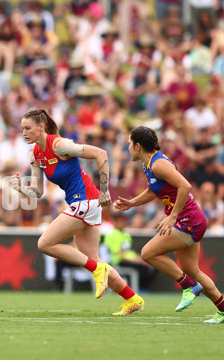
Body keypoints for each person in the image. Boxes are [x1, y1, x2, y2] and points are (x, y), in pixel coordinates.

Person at [10, 109, 145, 315]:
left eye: (28, 128)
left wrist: (105, 190)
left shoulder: (60, 145)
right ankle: (132, 299)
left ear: (41, 127)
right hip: (82, 204)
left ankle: (98, 270)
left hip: (87, 201)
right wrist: (21, 188)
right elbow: (38, 192)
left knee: (45, 243)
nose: (24, 133)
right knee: (94, 260)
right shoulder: (34, 154)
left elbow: (101, 153)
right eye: (22, 129)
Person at [115, 126, 224, 324]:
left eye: (129, 144)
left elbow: (185, 186)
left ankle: (189, 286)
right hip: (189, 220)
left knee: (148, 253)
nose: (127, 148)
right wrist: (131, 203)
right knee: (192, 270)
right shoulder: (150, 164)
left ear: (137, 146)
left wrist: (172, 217)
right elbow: (153, 190)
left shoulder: (158, 164)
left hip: (189, 221)